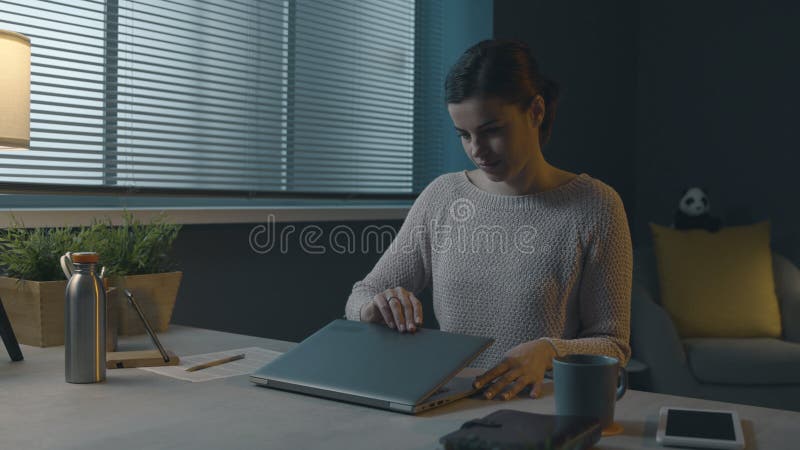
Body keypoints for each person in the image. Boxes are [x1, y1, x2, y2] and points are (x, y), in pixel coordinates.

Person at [344, 39, 632, 402]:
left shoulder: (596, 206)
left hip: (538, 408)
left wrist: (549, 351)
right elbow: (360, 296)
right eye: (464, 135)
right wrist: (375, 308)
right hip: (445, 404)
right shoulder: (442, 197)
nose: (476, 150)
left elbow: (613, 344)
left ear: (536, 111)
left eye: (492, 130)